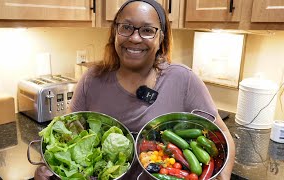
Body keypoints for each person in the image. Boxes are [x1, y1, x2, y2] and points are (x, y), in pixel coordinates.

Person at [35, 0, 235, 179]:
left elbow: (222, 134)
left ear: (161, 38)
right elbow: (67, 136)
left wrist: (223, 178)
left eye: (147, 30)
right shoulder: (92, 79)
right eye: (126, 27)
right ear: (115, 33)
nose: (135, 38)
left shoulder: (183, 80)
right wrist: (49, 167)